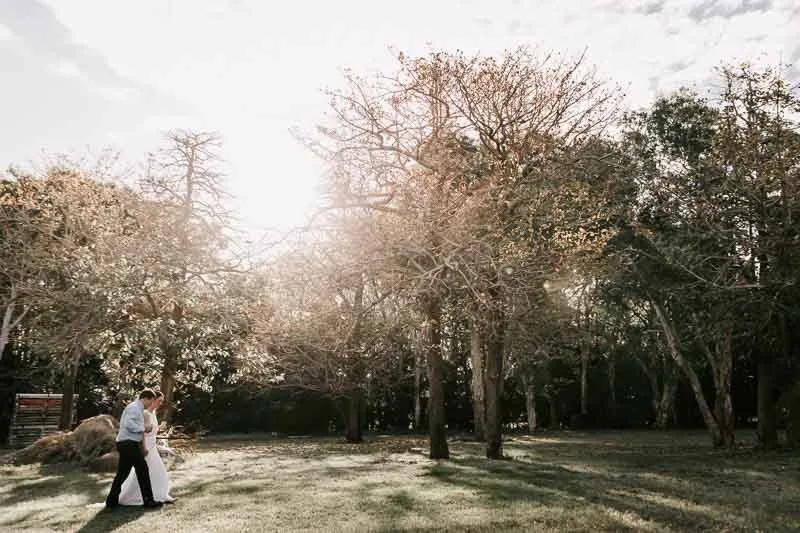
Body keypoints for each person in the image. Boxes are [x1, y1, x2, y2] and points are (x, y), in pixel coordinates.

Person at [105, 389, 163, 509]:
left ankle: (111, 501)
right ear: (145, 398)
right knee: (142, 469)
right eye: (150, 401)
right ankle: (148, 501)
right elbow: (128, 424)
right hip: (128, 444)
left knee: (122, 473)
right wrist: (144, 428)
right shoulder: (134, 408)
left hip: (129, 444)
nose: (150, 404)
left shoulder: (137, 408)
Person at [118, 390, 175, 505]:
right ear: (151, 400)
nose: (160, 403)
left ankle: (156, 496)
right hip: (143, 446)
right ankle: (146, 498)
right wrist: (144, 447)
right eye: (159, 401)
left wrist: (159, 428)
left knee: (151, 472)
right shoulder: (140, 411)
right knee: (143, 472)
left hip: (150, 446)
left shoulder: (151, 413)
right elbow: (141, 432)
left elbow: (150, 431)